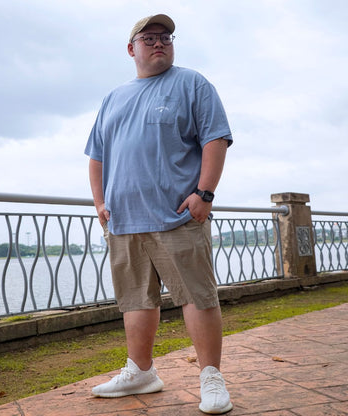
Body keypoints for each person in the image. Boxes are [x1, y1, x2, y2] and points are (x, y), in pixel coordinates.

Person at [84, 13, 233, 414]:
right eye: (148, 37)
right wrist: (100, 202)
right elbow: (96, 156)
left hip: (177, 216)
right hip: (124, 220)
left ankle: (211, 377)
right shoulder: (113, 98)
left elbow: (215, 139)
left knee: (197, 295)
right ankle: (141, 371)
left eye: (165, 37)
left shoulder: (192, 83)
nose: (159, 43)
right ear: (131, 49)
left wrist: (205, 193)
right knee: (135, 299)